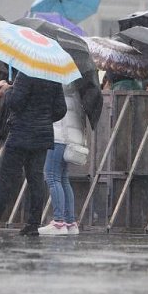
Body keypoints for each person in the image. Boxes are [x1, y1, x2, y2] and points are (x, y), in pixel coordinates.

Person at [0, 71, 67, 236]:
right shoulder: (54, 76)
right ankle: (33, 224)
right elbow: (61, 109)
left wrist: (7, 89)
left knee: (6, 178)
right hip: (42, 135)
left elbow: (15, 102)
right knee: (35, 179)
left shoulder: (26, 73)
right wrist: (43, 118)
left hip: (21, 134)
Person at [39, 83, 87, 236]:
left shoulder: (62, 81)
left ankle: (59, 222)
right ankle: (70, 222)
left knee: (52, 176)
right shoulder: (76, 83)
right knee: (63, 178)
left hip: (60, 134)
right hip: (71, 135)